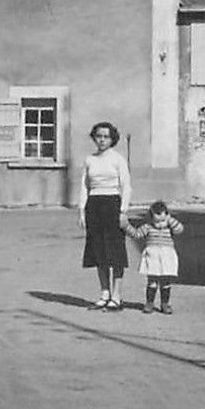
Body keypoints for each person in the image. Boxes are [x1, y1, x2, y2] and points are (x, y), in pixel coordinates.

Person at [79, 121, 131, 310]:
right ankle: (104, 293)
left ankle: (117, 296)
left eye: (106, 137)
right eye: (99, 136)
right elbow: (84, 187)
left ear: (112, 139)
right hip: (94, 206)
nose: (102, 140)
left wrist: (123, 211)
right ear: (94, 137)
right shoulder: (89, 160)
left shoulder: (118, 159)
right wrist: (82, 211)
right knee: (98, 251)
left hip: (113, 205)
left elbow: (126, 187)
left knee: (115, 253)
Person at [124, 200, 185, 314]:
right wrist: (126, 226)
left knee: (166, 281)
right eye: (157, 221)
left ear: (167, 216)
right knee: (152, 281)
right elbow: (136, 234)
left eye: (162, 220)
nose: (160, 224)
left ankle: (165, 303)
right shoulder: (148, 227)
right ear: (151, 218)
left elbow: (180, 229)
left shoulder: (169, 227)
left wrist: (170, 220)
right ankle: (149, 303)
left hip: (167, 256)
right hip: (152, 256)